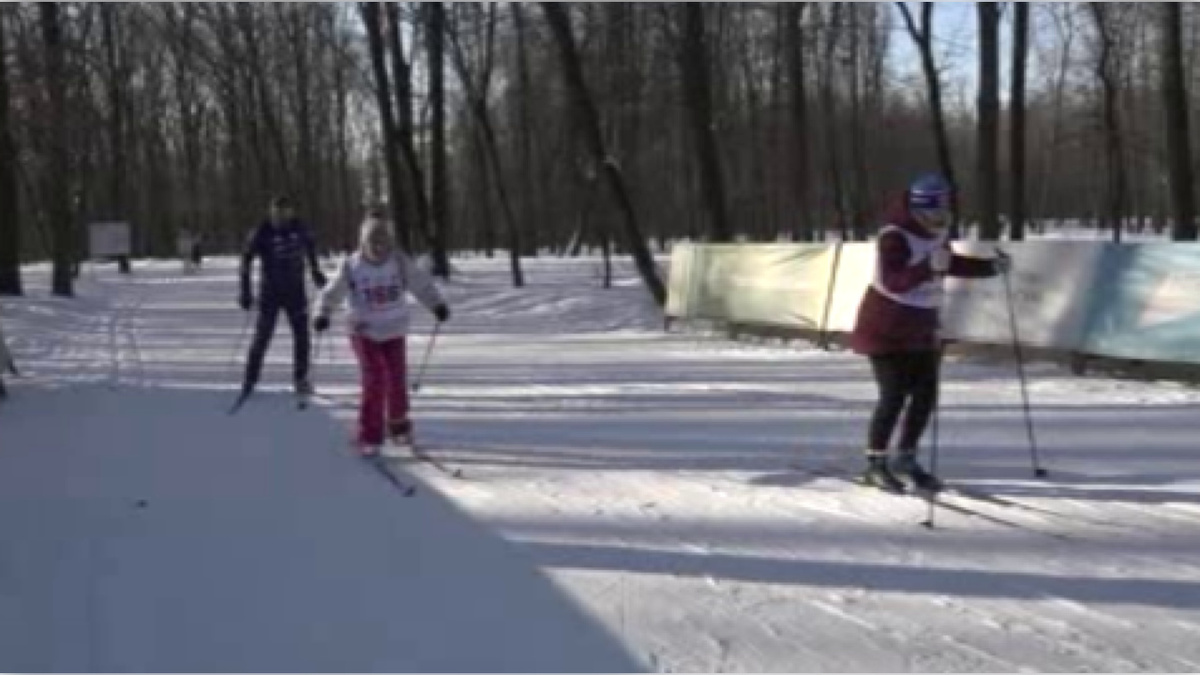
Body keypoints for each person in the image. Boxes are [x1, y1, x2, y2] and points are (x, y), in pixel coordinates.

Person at [850, 174, 1010, 494]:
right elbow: (895, 281)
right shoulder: (894, 237)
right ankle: (875, 462)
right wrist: (927, 267)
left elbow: (948, 263)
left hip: (922, 326)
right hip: (887, 328)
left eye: (944, 214)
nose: (939, 221)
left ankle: (906, 456)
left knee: (925, 395)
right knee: (894, 395)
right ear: (917, 210)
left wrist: (989, 267)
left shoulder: (936, 233)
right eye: (933, 214)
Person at [313, 211, 449, 456]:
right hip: (363, 330)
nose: (379, 248)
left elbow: (420, 283)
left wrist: (436, 304)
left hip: (394, 328)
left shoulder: (398, 261)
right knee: (375, 377)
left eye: (384, 242)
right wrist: (322, 313)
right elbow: (332, 292)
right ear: (363, 243)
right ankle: (369, 434)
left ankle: (398, 425)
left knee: (396, 378)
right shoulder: (352, 265)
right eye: (373, 242)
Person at [236, 196, 328, 406]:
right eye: (277, 213)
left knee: (302, 335)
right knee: (262, 336)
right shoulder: (262, 231)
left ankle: (300, 378)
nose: (281, 218)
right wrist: (245, 291)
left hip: (295, 292)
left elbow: (311, 248)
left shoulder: (300, 228)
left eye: (285, 213)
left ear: (291, 212)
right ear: (271, 212)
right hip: (270, 293)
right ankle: (250, 379)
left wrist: (316, 271)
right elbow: (245, 260)